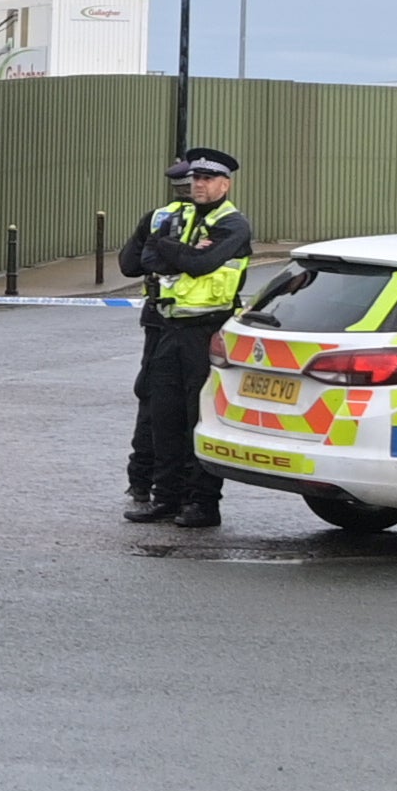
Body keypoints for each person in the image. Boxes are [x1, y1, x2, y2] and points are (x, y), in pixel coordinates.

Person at [125, 147, 253, 530]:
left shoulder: (233, 224)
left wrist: (170, 249)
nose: (198, 184)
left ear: (224, 184)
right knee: (163, 415)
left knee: (199, 419)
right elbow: (143, 261)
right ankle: (166, 498)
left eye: (207, 179)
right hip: (169, 327)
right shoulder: (174, 216)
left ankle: (202, 504)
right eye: (195, 178)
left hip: (207, 331)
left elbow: (201, 264)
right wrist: (177, 250)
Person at [117, 160, 194, 506]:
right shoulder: (218, 222)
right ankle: (188, 488)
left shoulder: (157, 217)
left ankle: (141, 479)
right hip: (197, 322)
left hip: (158, 319)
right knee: (191, 405)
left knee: (152, 400)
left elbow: (129, 265)